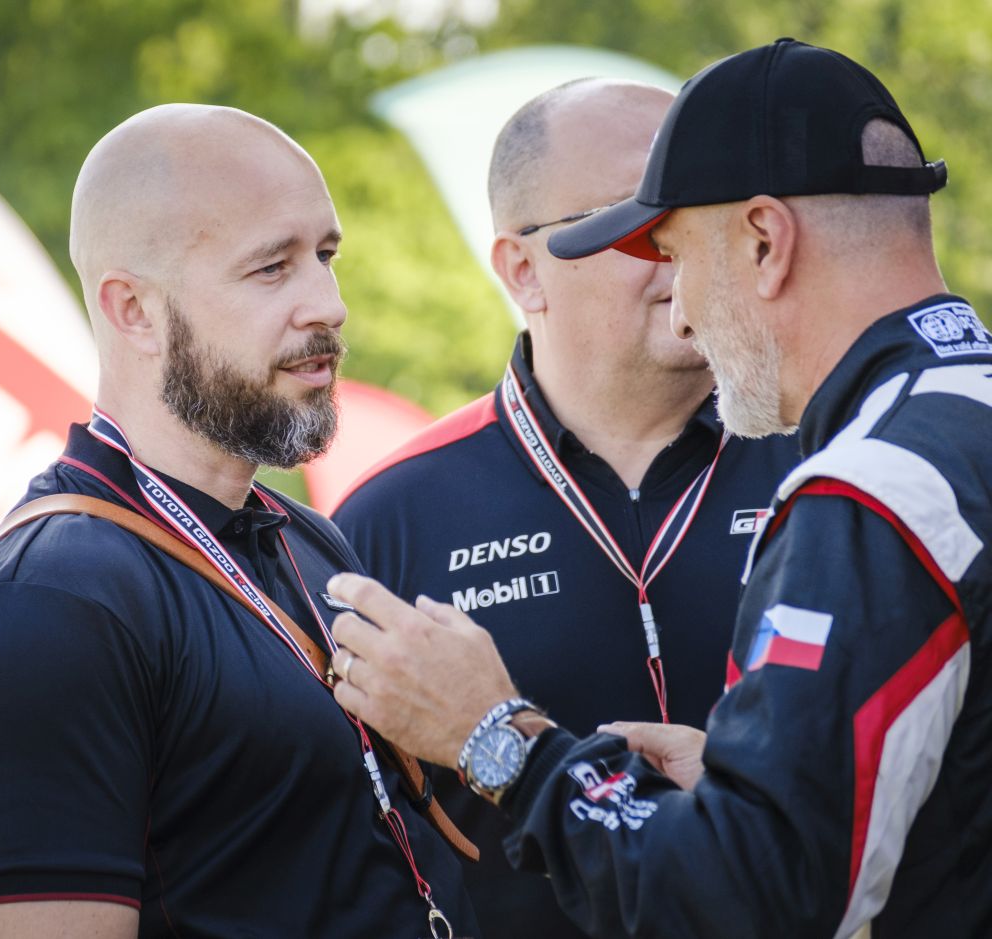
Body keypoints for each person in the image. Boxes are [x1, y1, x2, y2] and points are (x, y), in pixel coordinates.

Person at [323, 38, 992, 938]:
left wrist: (500, 739)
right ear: (520, 270)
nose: (682, 304)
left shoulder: (871, 486)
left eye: (675, 247)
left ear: (766, 242)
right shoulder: (948, 420)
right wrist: (760, 783)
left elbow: (755, 895)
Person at [0, 104, 478, 939]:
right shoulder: (49, 601)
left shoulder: (304, 537)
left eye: (326, 256)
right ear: (134, 311)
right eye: (272, 268)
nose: (328, 304)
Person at [333, 79, 799, 938]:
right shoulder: (388, 517)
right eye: (637, 216)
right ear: (523, 271)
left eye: (701, 211)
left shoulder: (828, 464)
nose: (678, 245)